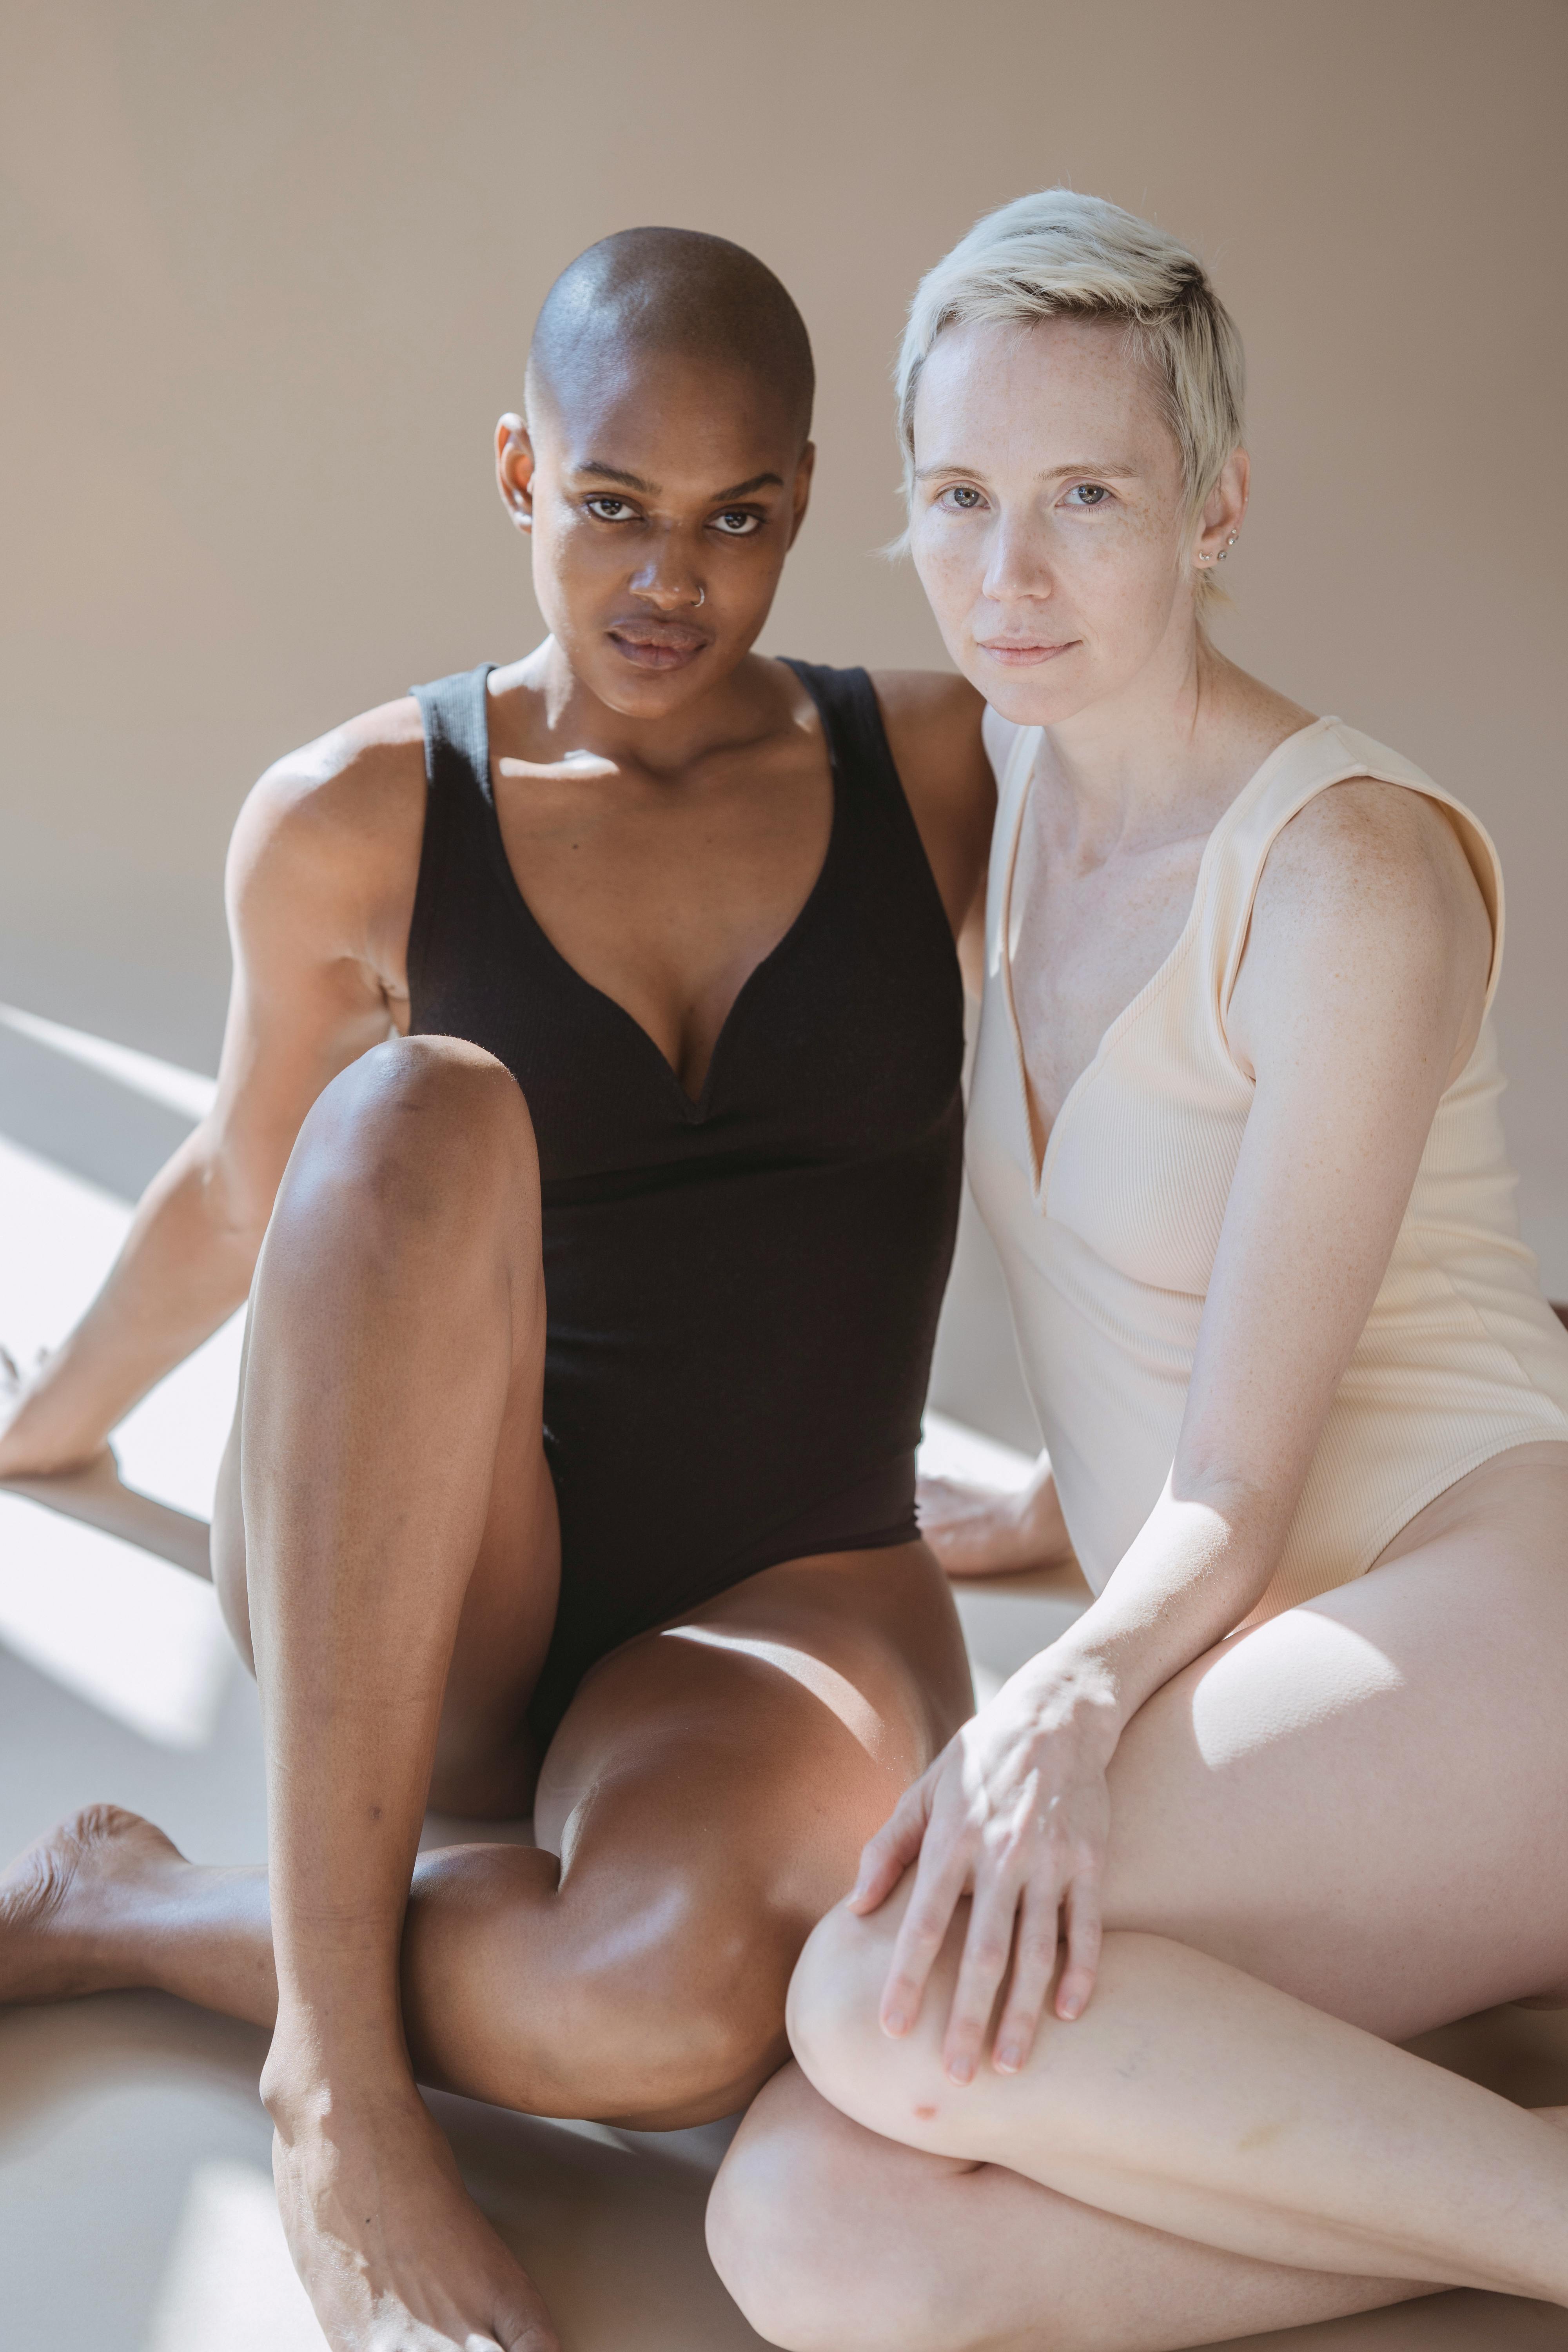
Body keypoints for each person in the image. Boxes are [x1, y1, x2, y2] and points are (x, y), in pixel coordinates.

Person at [0, 227, 994, 2352]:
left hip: (787, 1601)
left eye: (736, 519)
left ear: (809, 496)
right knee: (414, 1115)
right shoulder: (361, 815)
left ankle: (146, 1910)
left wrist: (1162, 1497)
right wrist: (44, 1429)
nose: (671, 582)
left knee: (682, 2025)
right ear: (521, 473)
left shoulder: (944, 772)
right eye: (614, 507)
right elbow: (242, 1182)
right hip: (440, 1581)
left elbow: (1152, 1129)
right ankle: (336, 2093)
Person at [708, 191, 1568, 2350]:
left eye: (1087, 494)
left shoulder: (1346, 873)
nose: (1013, 573)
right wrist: (1045, 1512)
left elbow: (1248, 1485)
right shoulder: (1007, 773)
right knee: (822, 2240)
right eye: (964, 497)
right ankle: (1463, 2123)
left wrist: (1073, 1689)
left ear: (1218, 506)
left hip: (1493, 1615)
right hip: (1250, 1645)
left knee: (864, 1997)